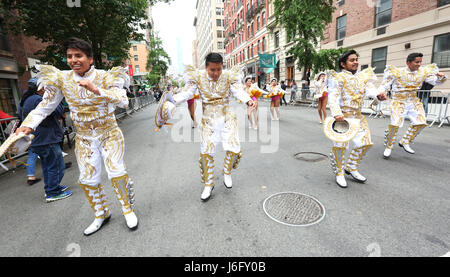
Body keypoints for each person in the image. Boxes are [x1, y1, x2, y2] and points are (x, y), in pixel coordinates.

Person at [16, 37, 138, 235]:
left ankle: (127, 209)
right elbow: (45, 106)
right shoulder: (62, 79)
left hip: (109, 133)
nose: (73, 60)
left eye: (78, 55)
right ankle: (101, 213)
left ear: (90, 59)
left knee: (116, 171)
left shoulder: (106, 76)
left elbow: (123, 101)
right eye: (69, 56)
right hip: (84, 138)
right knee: (88, 179)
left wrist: (97, 90)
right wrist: (27, 125)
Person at [171, 53, 255, 201]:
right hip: (208, 120)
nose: (216, 73)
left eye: (219, 69)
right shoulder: (197, 76)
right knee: (206, 153)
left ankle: (227, 172)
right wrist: (171, 101)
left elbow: (238, 91)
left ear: (222, 67)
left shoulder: (229, 76)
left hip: (227, 116)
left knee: (234, 148)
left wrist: (248, 101)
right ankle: (208, 184)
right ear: (206, 67)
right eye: (212, 70)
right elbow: (186, 93)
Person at [327, 50, 387, 188]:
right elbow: (333, 97)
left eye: (356, 59)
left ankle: (351, 167)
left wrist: (379, 96)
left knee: (365, 143)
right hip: (342, 117)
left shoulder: (363, 77)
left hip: (358, 117)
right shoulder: (338, 77)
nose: (356, 62)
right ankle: (339, 172)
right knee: (340, 146)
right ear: (343, 64)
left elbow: (371, 90)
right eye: (352, 60)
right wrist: (336, 113)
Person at [380, 53, 447, 159]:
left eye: (420, 62)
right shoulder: (396, 72)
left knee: (421, 122)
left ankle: (405, 141)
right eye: (417, 62)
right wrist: (381, 93)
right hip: (398, 101)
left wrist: (441, 76)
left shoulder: (423, 72)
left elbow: (436, 82)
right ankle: (388, 147)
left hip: (413, 101)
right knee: (395, 124)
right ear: (408, 62)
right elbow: (384, 85)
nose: (419, 64)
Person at [21, 78, 72, 201]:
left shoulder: (27, 99)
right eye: (47, 86)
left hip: (39, 139)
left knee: (48, 165)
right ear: (41, 88)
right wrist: (55, 97)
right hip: (46, 138)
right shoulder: (40, 99)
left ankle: (51, 188)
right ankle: (53, 192)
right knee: (57, 165)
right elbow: (59, 110)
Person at [18, 78, 41, 186]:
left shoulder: (23, 98)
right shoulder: (37, 98)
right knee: (46, 150)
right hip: (36, 128)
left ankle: (30, 176)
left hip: (27, 127)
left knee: (32, 152)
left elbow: (19, 113)